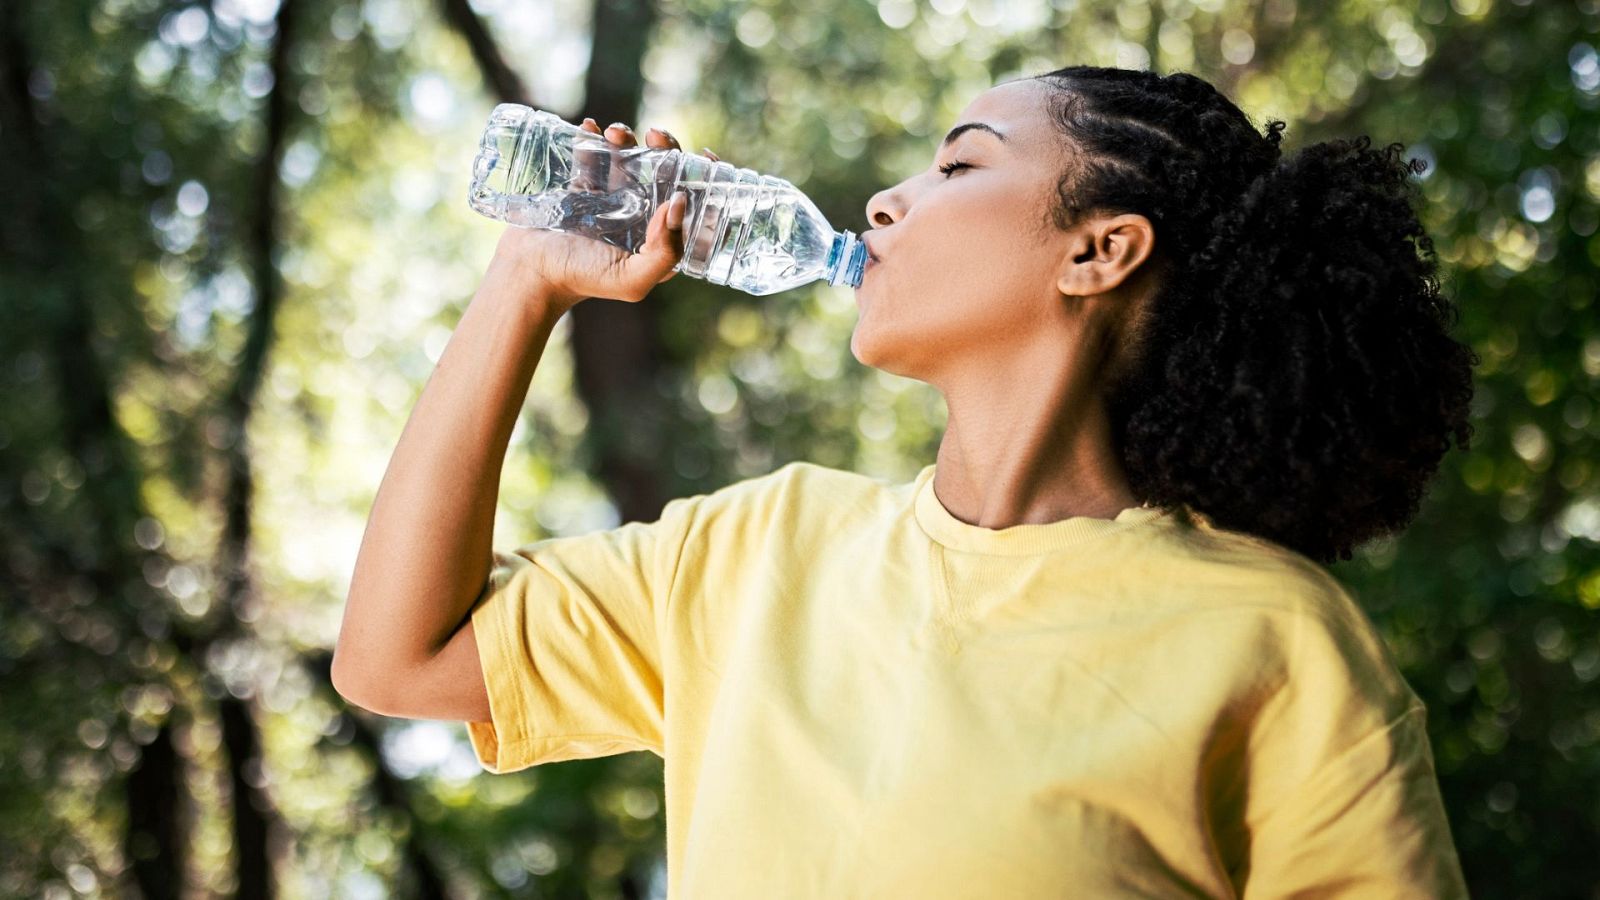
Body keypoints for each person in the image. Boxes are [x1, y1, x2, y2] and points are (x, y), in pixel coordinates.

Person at [334, 65, 1476, 898]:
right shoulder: (756, 549)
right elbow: (397, 658)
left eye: (959, 163)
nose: (887, 201)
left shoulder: (1271, 641)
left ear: (1099, 251)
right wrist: (524, 281)